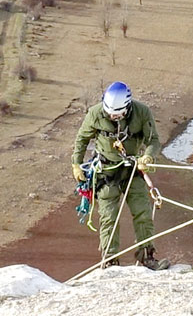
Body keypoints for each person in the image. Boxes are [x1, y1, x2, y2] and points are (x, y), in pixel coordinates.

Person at [72, 81, 169, 269]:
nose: (112, 116)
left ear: (127, 107)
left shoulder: (141, 112)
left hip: (132, 169)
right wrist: (76, 164)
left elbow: (153, 140)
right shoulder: (95, 113)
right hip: (106, 173)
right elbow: (81, 139)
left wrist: (148, 157)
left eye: (117, 114)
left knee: (143, 212)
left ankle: (147, 256)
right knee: (109, 216)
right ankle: (110, 260)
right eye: (110, 113)